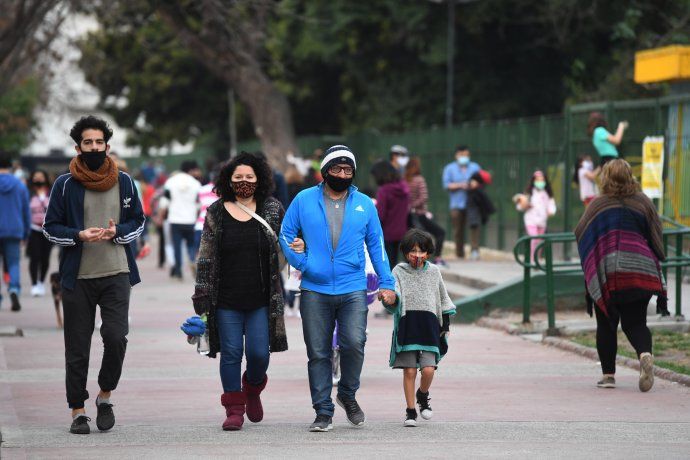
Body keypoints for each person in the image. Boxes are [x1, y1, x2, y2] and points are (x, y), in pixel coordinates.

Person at [279, 144, 397, 432]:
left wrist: (387, 282)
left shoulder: (365, 204)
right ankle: (323, 410)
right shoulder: (304, 199)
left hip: (352, 286)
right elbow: (285, 233)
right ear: (325, 172)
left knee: (354, 344)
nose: (342, 174)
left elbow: (377, 245)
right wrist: (303, 262)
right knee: (318, 352)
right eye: (336, 169)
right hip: (314, 289)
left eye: (347, 170)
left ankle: (347, 393)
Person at [43, 115, 145, 434]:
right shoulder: (64, 184)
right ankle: (77, 410)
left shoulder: (124, 181)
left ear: (107, 145)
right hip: (78, 277)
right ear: (78, 147)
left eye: (99, 142)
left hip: (117, 273)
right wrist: (78, 236)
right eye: (88, 142)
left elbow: (139, 221)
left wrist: (119, 232)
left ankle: (104, 396)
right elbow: (50, 228)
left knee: (116, 338)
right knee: (77, 347)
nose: (94, 147)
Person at [192, 152, 289, 431]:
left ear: (259, 179)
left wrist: (298, 246)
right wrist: (201, 295)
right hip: (226, 298)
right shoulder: (217, 211)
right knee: (232, 352)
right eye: (238, 178)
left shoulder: (271, 209)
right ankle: (234, 408)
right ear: (228, 180)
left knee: (259, 354)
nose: (244, 182)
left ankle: (253, 388)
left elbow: (290, 239)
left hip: (261, 298)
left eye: (249, 177)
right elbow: (205, 255)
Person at [574, 159, 667, 392]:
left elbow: (581, 232)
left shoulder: (598, 205)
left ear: (604, 178)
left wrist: (593, 259)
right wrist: (658, 257)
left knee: (606, 323)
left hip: (608, 272)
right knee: (636, 323)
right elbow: (656, 233)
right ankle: (645, 354)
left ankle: (608, 376)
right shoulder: (643, 202)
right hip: (640, 270)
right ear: (630, 176)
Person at [382, 229, 455, 427]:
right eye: (413, 251)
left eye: (422, 251)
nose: (417, 255)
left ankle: (422, 395)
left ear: (428, 253)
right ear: (405, 252)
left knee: (429, 370)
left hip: (430, 327)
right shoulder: (398, 271)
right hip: (407, 325)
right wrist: (389, 297)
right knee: (410, 371)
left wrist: (445, 324)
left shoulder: (434, 271)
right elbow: (394, 295)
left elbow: (443, 298)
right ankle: (410, 411)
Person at [0, 151, 30, 311]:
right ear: (10, 166)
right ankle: (13, 289)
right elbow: (26, 210)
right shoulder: (19, 185)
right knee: (13, 263)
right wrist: (26, 233)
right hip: (14, 229)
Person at [404, 156, 446, 265]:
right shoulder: (419, 179)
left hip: (407, 215)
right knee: (440, 233)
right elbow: (424, 197)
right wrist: (414, 205)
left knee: (411, 238)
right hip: (420, 215)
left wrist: (409, 207)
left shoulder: (403, 180)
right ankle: (436, 258)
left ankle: (409, 259)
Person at [164, 160, 202, 279]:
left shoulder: (171, 181)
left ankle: (179, 270)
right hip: (190, 219)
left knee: (177, 246)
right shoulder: (195, 183)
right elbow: (198, 203)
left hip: (175, 219)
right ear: (191, 170)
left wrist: (161, 216)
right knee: (191, 244)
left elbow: (166, 200)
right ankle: (191, 260)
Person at [442, 146, 481, 259]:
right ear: (456, 155)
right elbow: (446, 185)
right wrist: (460, 185)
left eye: (466, 155)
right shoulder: (449, 168)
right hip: (456, 204)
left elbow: (482, 181)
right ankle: (459, 253)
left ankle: (475, 251)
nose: (464, 157)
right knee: (458, 230)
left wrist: (475, 184)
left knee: (474, 226)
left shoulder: (475, 167)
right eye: (462, 155)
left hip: (473, 203)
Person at [370, 160, 410, 269]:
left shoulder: (384, 190)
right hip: (402, 231)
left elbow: (380, 215)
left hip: (386, 233)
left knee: (387, 266)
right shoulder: (404, 187)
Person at [515, 170, 556, 260]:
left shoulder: (547, 194)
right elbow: (520, 205)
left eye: (542, 180)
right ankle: (532, 259)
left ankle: (537, 259)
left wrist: (551, 211)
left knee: (540, 241)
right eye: (538, 180)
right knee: (534, 238)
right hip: (530, 220)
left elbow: (551, 205)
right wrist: (525, 206)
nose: (540, 182)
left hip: (542, 221)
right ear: (533, 181)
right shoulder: (529, 193)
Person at [27, 170, 54, 296]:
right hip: (33, 229)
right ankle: (34, 284)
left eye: (41, 177)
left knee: (45, 258)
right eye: (36, 177)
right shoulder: (29, 193)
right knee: (34, 257)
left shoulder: (52, 192)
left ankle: (41, 282)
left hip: (48, 230)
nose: (38, 179)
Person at [465, 170, 495, 260]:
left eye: (474, 182)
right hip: (472, 216)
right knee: (473, 234)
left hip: (476, 216)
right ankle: (474, 251)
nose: (472, 183)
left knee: (475, 234)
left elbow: (485, 205)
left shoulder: (478, 192)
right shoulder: (471, 192)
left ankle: (475, 251)